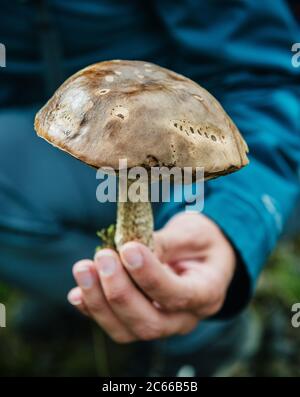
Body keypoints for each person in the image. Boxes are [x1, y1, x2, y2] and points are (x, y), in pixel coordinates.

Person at [0, 0, 299, 376]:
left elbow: (267, 78)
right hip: (70, 136)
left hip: (230, 160)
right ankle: (91, 294)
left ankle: (203, 333)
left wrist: (229, 218)